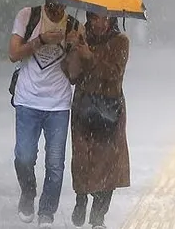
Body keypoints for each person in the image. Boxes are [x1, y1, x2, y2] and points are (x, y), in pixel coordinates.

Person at [8, 0, 81, 228]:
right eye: (53, 2)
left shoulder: (74, 25)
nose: (57, 8)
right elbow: (13, 54)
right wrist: (40, 40)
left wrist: (73, 48)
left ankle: (47, 212)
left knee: (55, 163)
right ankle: (28, 193)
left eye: (62, 3)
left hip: (58, 104)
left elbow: (75, 76)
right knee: (24, 157)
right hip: (28, 100)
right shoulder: (28, 16)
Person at [62, 12, 131, 229]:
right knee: (82, 158)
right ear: (89, 18)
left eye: (105, 18)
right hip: (83, 106)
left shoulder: (121, 41)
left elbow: (114, 73)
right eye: (95, 18)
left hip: (110, 108)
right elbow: (72, 76)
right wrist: (72, 49)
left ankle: (99, 215)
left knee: (109, 163)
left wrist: (89, 55)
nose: (99, 23)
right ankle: (81, 198)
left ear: (112, 20)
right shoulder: (81, 36)